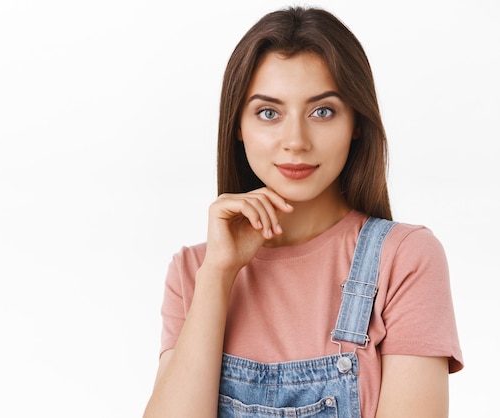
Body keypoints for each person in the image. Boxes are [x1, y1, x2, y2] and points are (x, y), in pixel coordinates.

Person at [143, 6, 463, 418]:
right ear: (238, 126)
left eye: (322, 111)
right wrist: (218, 276)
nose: (295, 140)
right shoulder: (193, 272)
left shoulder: (404, 259)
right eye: (269, 113)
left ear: (357, 123)